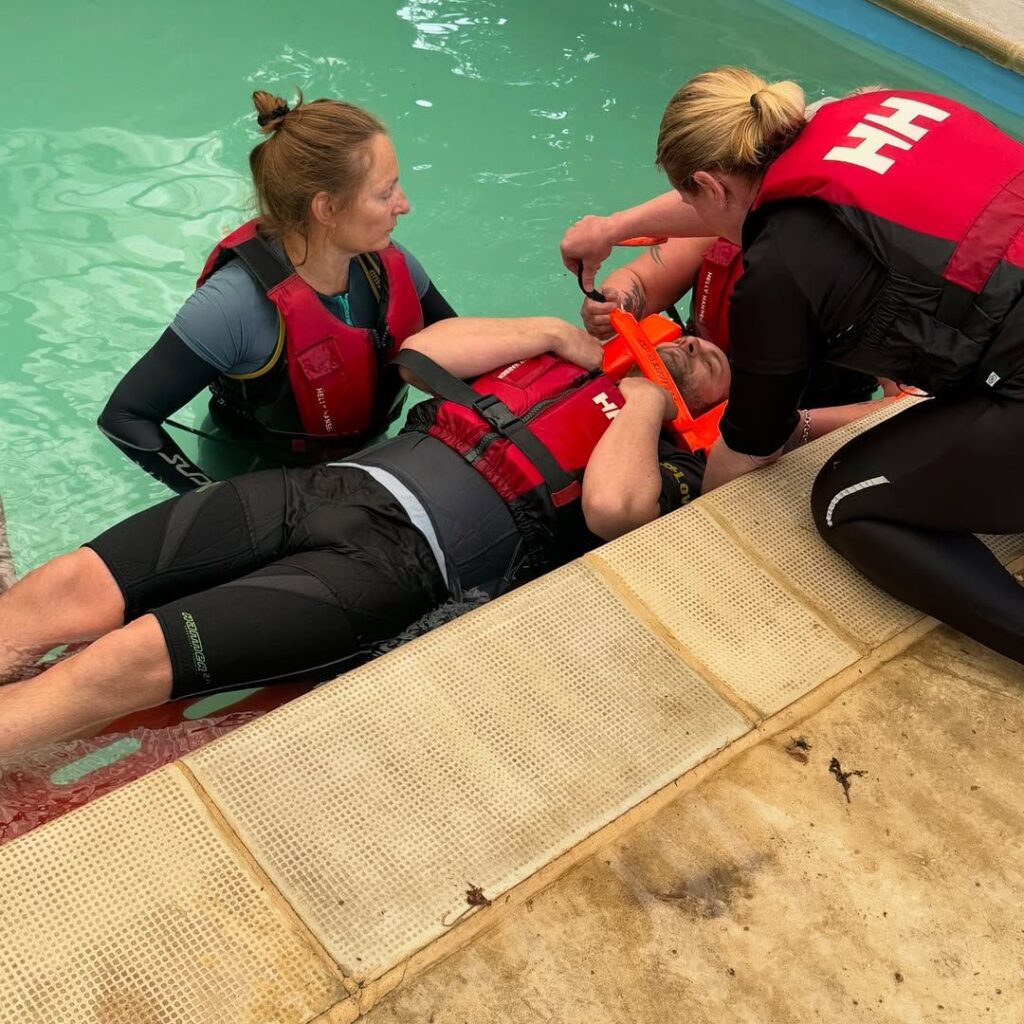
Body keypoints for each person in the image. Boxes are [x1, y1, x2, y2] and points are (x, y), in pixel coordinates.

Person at [0, 307, 892, 755]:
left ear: (720, 404)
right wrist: (551, 332)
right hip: (320, 488)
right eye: (686, 336)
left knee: (122, 662)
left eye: (707, 357)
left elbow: (614, 515)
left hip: (390, 569)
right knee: (59, 590)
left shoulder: (673, 463)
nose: (692, 342)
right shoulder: (558, 358)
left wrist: (653, 398)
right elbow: (422, 353)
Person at [563, 66, 1024, 663]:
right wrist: (613, 229)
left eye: (689, 199)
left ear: (711, 185)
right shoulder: (874, 111)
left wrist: (703, 532)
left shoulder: (779, 273)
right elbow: (768, 196)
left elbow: (754, 445)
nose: (689, 214)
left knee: (843, 500)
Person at [99, 90, 457, 492]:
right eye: (385, 192)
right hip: (262, 479)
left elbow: (462, 350)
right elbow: (125, 418)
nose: (404, 204)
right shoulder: (233, 306)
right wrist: (217, 504)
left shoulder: (391, 267)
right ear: (327, 209)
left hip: (368, 459)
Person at [579, 233, 881, 408]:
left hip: (806, 408)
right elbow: (640, 281)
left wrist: (797, 429)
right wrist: (614, 304)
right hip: (690, 378)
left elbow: (906, 400)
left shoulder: (858, 275)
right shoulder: (719, 220)